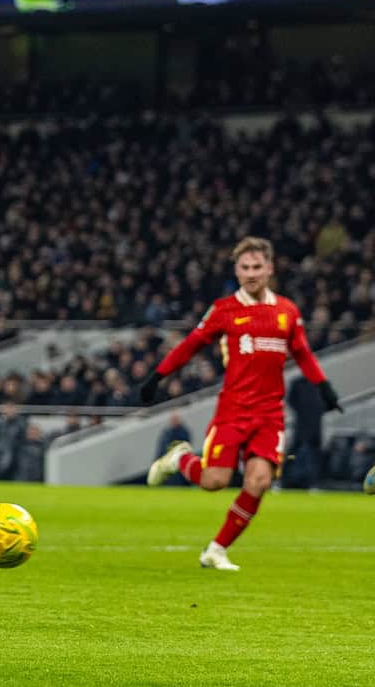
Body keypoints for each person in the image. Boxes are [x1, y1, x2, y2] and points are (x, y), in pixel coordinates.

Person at [143, 236, 342, 571]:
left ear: (269, 268)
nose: (251, 274)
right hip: (233, 411)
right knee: (214, 482)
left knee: (259, 482)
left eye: (257, 267)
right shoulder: (224, 310)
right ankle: (181, 458)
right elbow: (190, 345)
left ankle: (216, 549)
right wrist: (156, 377)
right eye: (245, 267)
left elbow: (303, 353)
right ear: (236, 270)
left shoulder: (287, 311)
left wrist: (323, 387)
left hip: (269, 414)